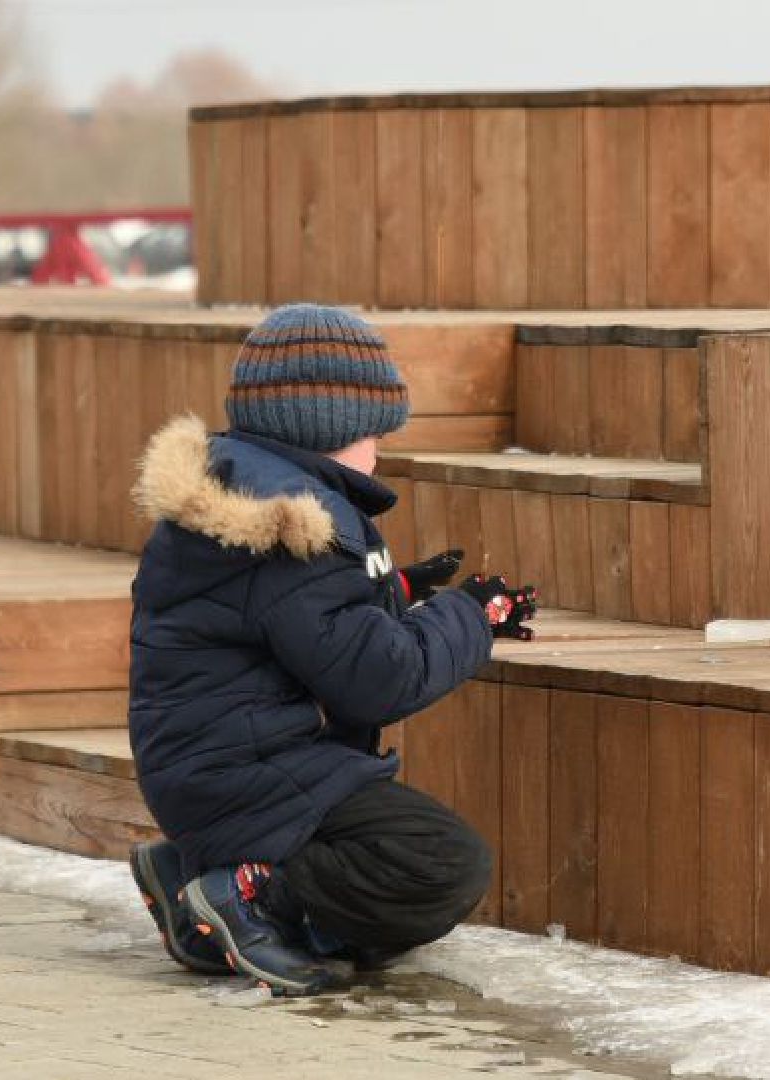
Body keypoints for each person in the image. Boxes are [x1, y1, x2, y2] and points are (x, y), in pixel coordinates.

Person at [126, 303, 537, 996]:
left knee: (380, 893)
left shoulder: (247, 493)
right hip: (250, 771)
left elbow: (290, 620)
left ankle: (194, 881)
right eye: (374, 432)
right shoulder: (296, 530)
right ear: (329, 429)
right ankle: (247, 899)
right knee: (436, 864)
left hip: (218, 764)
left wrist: (396, 590)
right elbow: (380, 679)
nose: (379, 449)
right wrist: (465, 617)